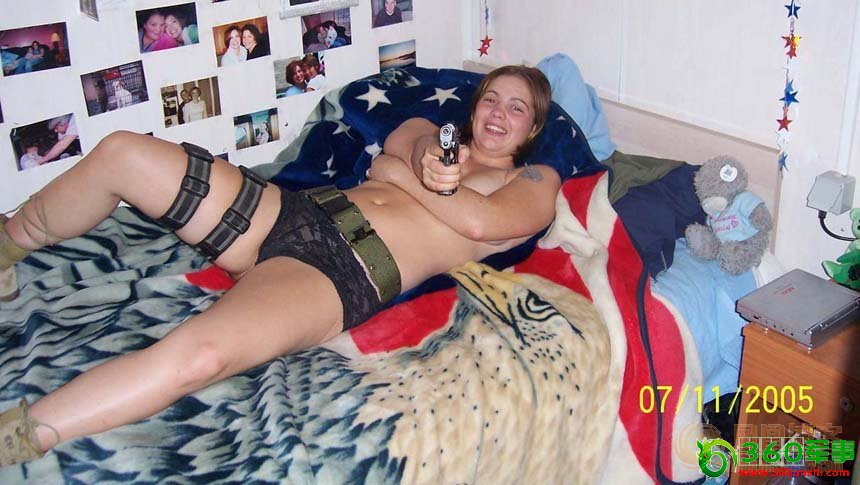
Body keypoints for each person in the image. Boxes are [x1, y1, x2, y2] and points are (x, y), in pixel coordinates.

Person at [0, 65, 559, 466]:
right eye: (491, 98)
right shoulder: (435, 137)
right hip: (291, 211)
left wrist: (401, 177)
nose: (498, 113)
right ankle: (7, 246)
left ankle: (20, 435)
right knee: (123, 152)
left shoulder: (533, 180)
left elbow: (483, 222)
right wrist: (421, 162)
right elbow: (406, 141)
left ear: (533, 127)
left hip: (343, 271)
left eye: (517, 108)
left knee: (200, 356)